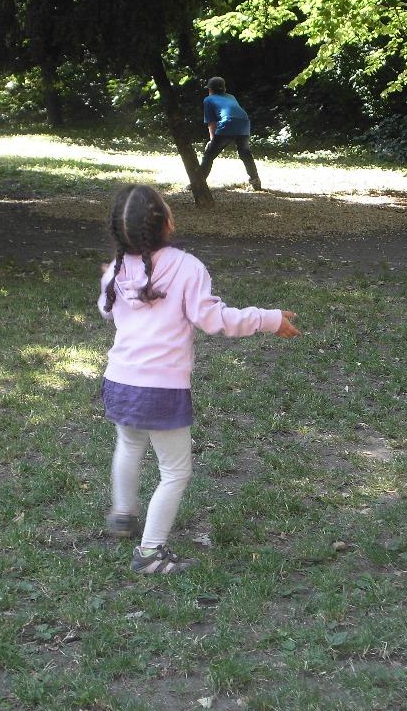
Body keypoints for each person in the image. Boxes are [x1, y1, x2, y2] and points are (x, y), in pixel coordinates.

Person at [98, 184, 299, 574]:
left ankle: (123, 512)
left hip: (120, 382)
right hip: (161, 389)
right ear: (167, 223)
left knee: (129, 443)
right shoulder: (187, 267)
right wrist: (268, 319)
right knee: (175, 472)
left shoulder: (117, 270)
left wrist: (110, 280)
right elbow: (214, 319)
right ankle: (150, 554)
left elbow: (108, 311)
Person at [199, 76, 262, 190]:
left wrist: (212, 141)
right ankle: (255, 180)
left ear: (210, 89)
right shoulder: (231, 97)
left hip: (228, 122)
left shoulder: (208, 100)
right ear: (224, 88)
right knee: (245, 153)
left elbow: (212, 122)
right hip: (244, 122)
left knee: (209, 155)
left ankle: (198, 183)